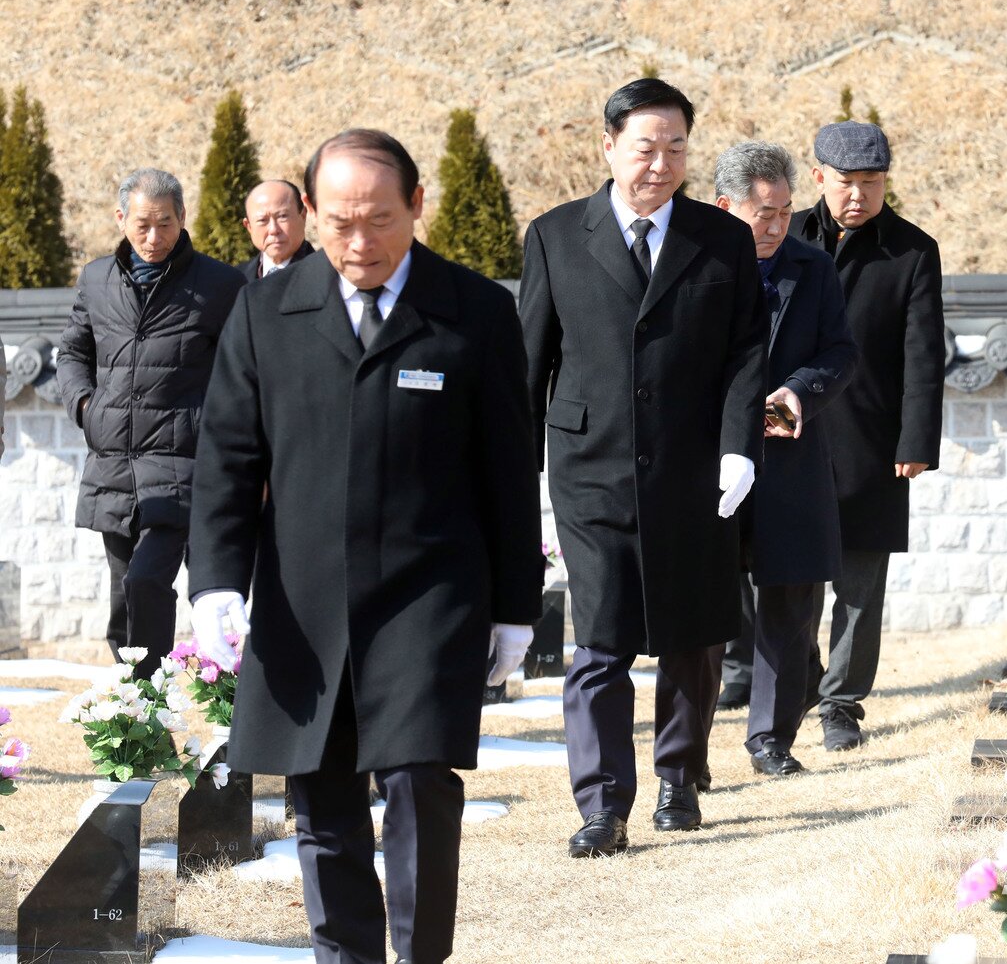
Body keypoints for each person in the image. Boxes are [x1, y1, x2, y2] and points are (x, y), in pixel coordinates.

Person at [186, 129, 542, 964]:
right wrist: (214, 584)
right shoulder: (267, 310)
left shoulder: (475, 309)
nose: (359, 241)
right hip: (304, 601)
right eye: (339, 221)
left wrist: (517, 608)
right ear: (308, 213)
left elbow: (508, 468)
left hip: (431, 591)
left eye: (380, 220)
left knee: (419, 780)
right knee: (323, 797)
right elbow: (229, 456)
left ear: (417, 206)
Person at [520, 79, 766, 856]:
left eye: (676, 148)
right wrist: (514, 479)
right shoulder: (556, 235)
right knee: (599, 640)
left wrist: (738, 445)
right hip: (590, 469)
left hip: (695, 467)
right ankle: (602, 804)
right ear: (609, 148)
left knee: (693, 635)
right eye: (645, 147)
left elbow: (747, 351)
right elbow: (531, 361)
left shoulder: (721, 239)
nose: (661, 164)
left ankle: (678, 779)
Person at [55, 168, 246, 680]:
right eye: (142, 224)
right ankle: (134, 713)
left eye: (165, 223)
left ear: (183, 218)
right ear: (121, 220)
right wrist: (84, 407)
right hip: (112, 465)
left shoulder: (221, 285)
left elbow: (243, 371)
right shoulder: (96, 279)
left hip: (181, 466)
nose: (154, 237)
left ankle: (154, 698)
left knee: (145, 581)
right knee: (123, 599)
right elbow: (72, 352)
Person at [791, 121, 945, 752]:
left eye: (872, 183)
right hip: (788, 431)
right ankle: (798, 680)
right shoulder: (784, 235)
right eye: (846, 182)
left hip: (872, 437)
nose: (858, 195)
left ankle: (842, 702)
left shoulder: (911, 251)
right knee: (784, 575)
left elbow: (923, 354)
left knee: (860, 583)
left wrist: (915, 442)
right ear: (819, 176)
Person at [714, 142, 856, 775]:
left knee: (792, 595)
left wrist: (799, 391)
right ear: (724, 206)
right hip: (711, 457)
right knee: (705, 601)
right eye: (760, 213)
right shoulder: (693, 264)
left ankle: (770, 739)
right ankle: (686, 756)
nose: (775, 226)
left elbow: (840, 353)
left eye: (783, 212)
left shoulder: (814, 266)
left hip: (791, 457)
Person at [240, 179, 314, 280]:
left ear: (303, 216)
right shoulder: (237, 280)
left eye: (282, 216)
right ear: (249, 226)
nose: (273, 230)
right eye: (262, 220)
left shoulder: (328, 275)